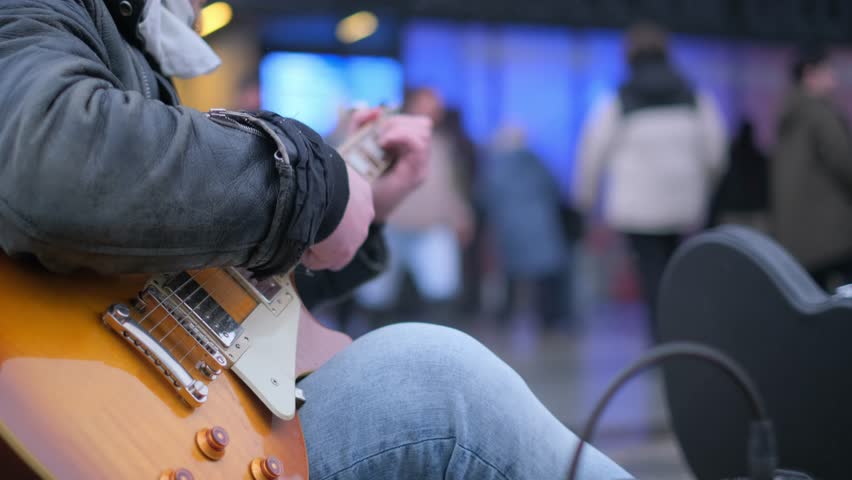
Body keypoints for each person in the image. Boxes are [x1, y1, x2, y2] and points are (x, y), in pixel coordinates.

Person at [0, 1, 633, 479]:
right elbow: (52, 158)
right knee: (439, 383)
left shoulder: (120, 30)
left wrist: (358, 210)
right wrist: (315, 186)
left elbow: (186, 286)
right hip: (120, 429)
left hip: (147, 415)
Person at [574, 22, 727, 338]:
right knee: (675, 267)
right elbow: (715, 152)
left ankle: (660, 337)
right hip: (684, 203)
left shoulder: (620, 99)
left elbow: (592, 152)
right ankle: (677, 332)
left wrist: (584, 199)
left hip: (637, 206)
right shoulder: (693, 95)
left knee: (650, 269)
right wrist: (706, 186)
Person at [357, 88, 474, 318]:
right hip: (392, 225)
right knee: (377, 294)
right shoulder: (389, 138)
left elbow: (450, 186)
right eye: (426, 103)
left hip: (433, 227)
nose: (432, 109)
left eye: (435, 104)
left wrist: (461, 215)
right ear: (411, 104)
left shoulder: (443, 142)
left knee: (441, 291)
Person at [771, 47, 852, 289]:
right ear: (810, 73)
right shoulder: (820, 114)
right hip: (831, 236)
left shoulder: (788, 112)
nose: (834, 80)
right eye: (828, 71)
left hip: (797, 236)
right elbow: (845, 163)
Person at [480, 126, 572, 329]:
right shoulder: (536, 162)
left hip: (510, 227)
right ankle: (549, 319)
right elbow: (555, 189)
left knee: (510, 276)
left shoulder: (495, 166)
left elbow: (486, 198)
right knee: (545, 276)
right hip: (541, 224)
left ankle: (505, 318)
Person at [708, 120, 770, 231]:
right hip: (755, 210)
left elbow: (721, 183)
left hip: (732, 209)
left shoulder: (730, 158)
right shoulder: (760, 160)